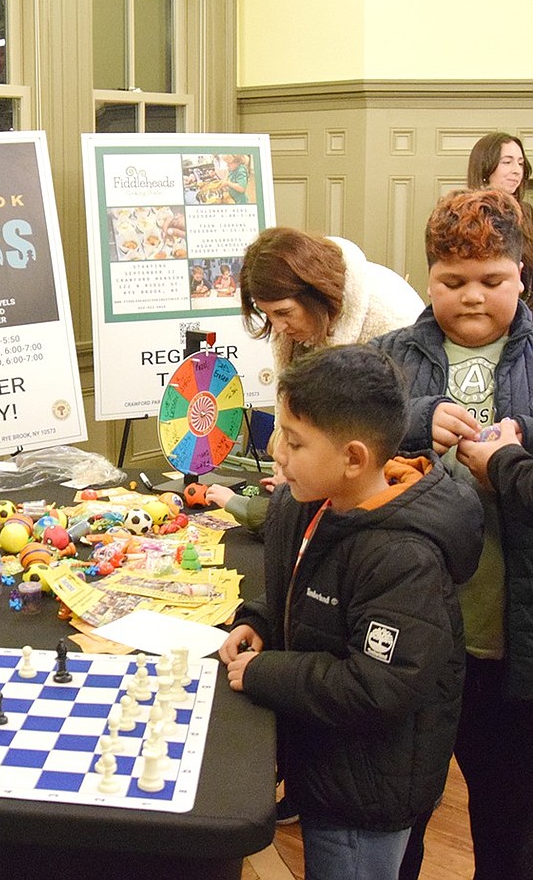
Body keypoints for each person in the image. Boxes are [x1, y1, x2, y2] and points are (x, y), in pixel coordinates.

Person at [220, 344, 481, 880]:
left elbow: (376, 686)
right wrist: (260, 620)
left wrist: (265, 672)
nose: (276, 452)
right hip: (323, 762)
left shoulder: (404, 558)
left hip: (365, 794)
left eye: (294, 441)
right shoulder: (309, 502)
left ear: (354, 458)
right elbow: (300, 589)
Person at [371, 188, 533, 880]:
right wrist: (411, 422)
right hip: (412, 637)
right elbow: (342, 452)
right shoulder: (387, 358)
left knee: (508, 817)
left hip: (507, 637)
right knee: (400, 815)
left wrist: (512, 462)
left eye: (492, 280)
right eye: (452, 281)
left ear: (521, 273)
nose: (472, 297)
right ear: (427, 276)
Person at [239, 227, 424, 375]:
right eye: (266, 313)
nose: (278, 328)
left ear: (315, 294)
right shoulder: (300, 326)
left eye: (283, 313)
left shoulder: (392, 317)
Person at [467, 131, 533, 299]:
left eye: (520, 163)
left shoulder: (527, 213)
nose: (517, 171)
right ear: (485, 167)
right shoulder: (466, 215)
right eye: (507, 162)